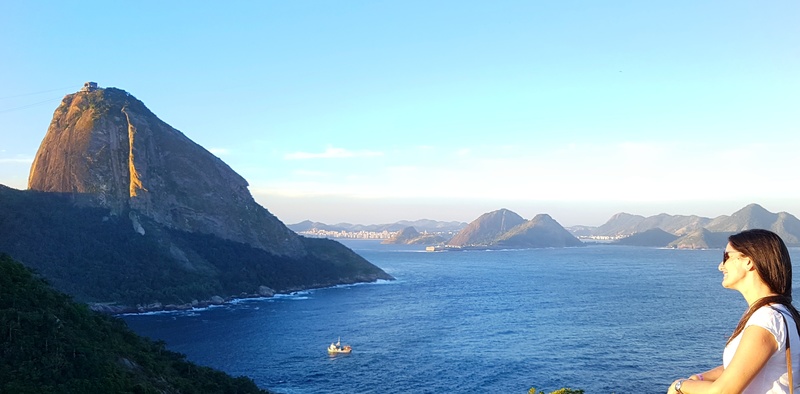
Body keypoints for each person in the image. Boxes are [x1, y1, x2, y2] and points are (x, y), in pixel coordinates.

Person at [668, 229, 800, 393]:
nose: (720, 266)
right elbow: (746, 366)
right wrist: (700, 378)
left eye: (726, 256)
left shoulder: (767, 319)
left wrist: (679, 385)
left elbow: (722, 392)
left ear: (748, 261)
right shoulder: (780, 312)